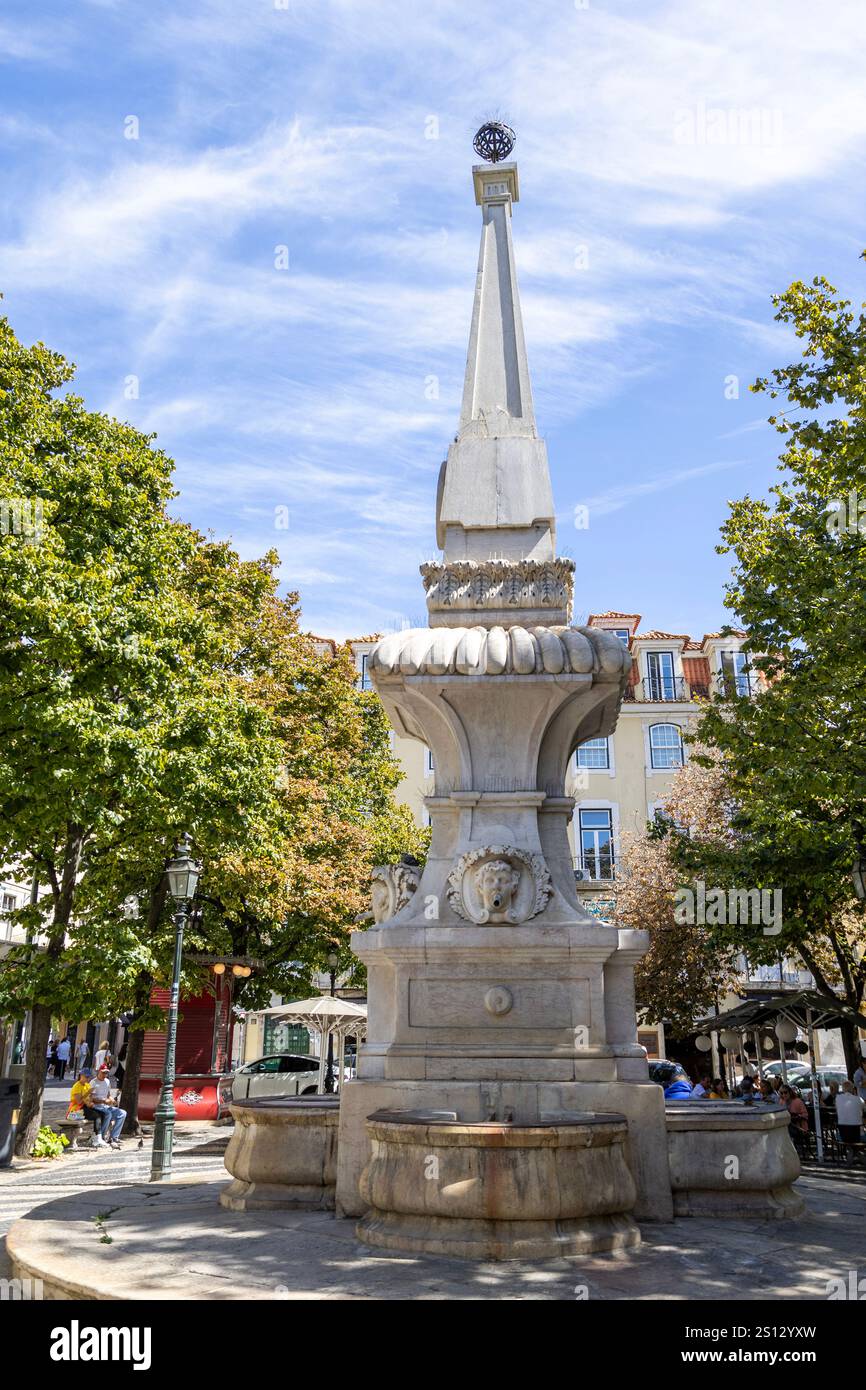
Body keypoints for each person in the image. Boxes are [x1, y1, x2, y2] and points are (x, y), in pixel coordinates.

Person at [89, 1065, 126, 1148]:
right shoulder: (93, 1082)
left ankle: (114, 1137)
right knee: (108, 1114)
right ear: (99, 1071)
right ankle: (101, 1137)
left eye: (106, 1073)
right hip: (96, 1106)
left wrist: (112, 1100)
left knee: (123, 1113)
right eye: (103, 1073)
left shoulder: (107, 1082)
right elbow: (91, 1098)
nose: (104, 1075)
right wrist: (103, 1100)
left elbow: (108, 1095)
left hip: (105, 1105)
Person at [836, 1082, 864, 1159]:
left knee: (847, 1138)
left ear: (843, 1089)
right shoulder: (859, 1099)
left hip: (843, 1135)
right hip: (857, 1135)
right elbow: (864, 1109)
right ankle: (856, 1153)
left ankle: (852, 1152)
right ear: (852, 1089)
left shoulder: (838, 1098)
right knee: (860, 1134)